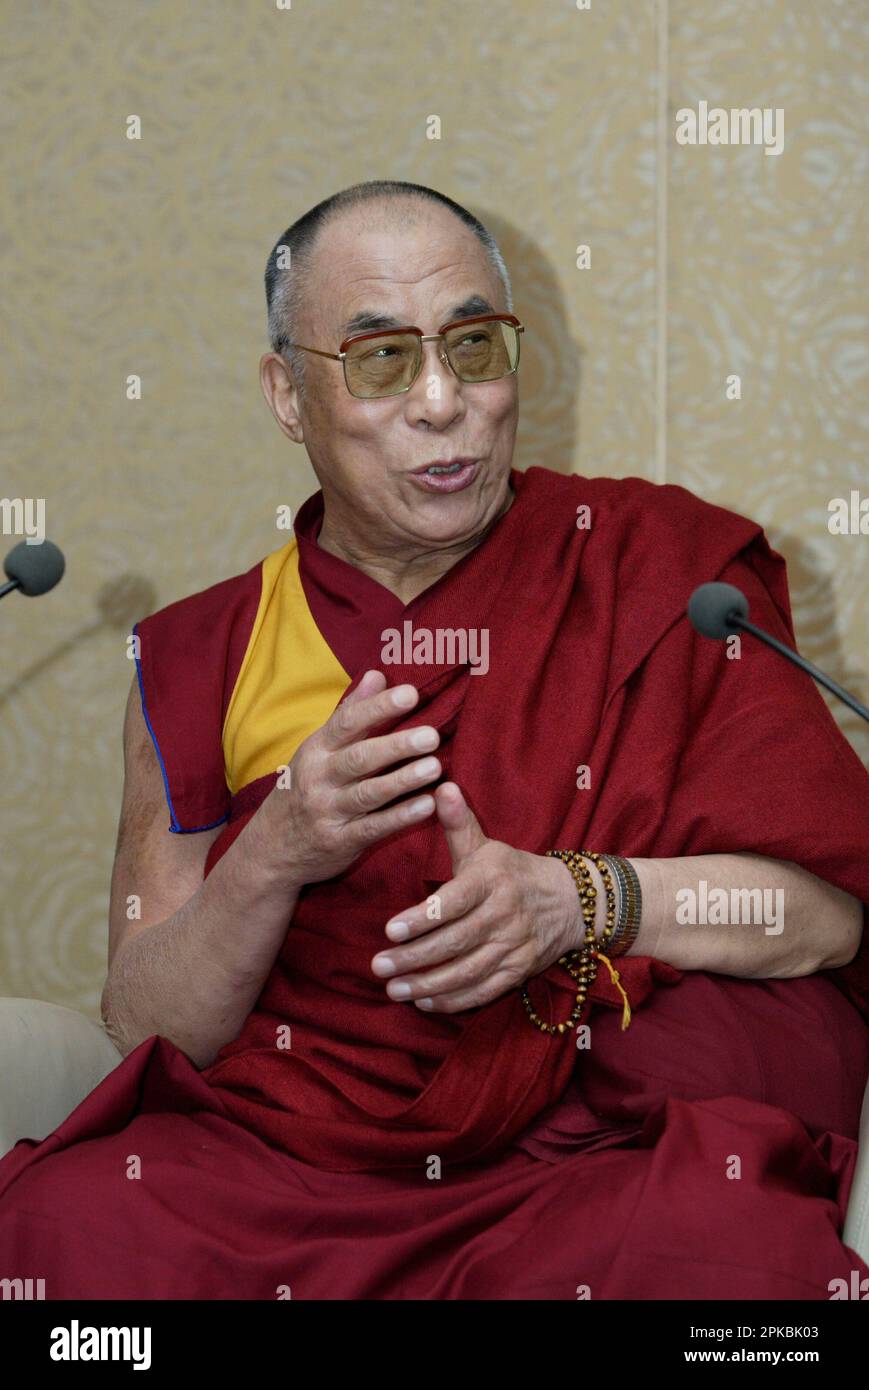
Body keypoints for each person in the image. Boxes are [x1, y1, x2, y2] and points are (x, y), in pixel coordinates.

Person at [1, 179, 867, 1300]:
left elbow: (825, 913)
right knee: (69, 1223)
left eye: (472, 343)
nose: (441, 401)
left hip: (584, 1163)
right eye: (379, 360)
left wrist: (579, 898)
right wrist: (277, 849)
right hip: (292, 1166)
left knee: (730, 1255)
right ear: (285, 393)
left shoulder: (654, 571)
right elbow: (144, 1022)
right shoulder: (204, 651)